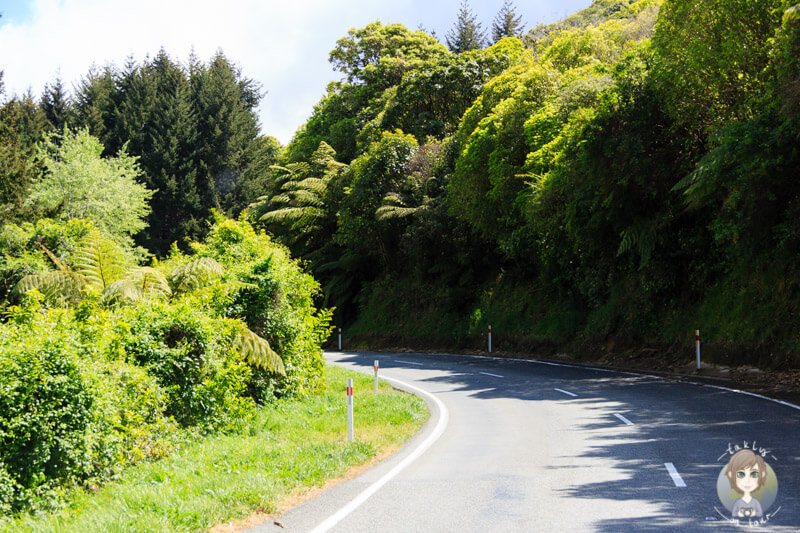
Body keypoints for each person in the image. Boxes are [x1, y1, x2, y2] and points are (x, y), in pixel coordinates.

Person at [725, 449, 767, 518]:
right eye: (741, 474)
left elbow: (759, 513)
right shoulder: (738, 502)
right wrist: (739, 513)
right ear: (731, 475)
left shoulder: (755, 502)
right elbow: (734, 513)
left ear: (762, 475)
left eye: (754, 474)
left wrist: (754, 513)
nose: (747, 480)